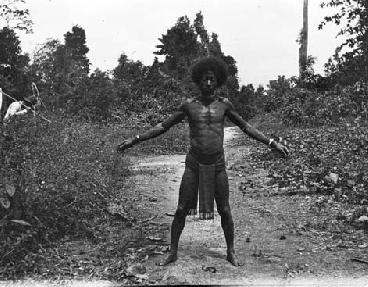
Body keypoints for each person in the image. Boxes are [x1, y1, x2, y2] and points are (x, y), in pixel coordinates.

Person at [117, 57, 289, 266]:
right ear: (198, 81)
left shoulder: (224, 105)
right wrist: (134, 140)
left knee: (224, 209)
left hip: (217, 165)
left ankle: (231, 251)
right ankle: (173, 252)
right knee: (181, 209)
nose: (208, 83)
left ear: (218, 82)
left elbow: (246, 127)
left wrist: (272, 143)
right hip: (194, 163)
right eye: (205, 79)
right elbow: (162, 126)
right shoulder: (189, 106)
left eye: (212, 80)